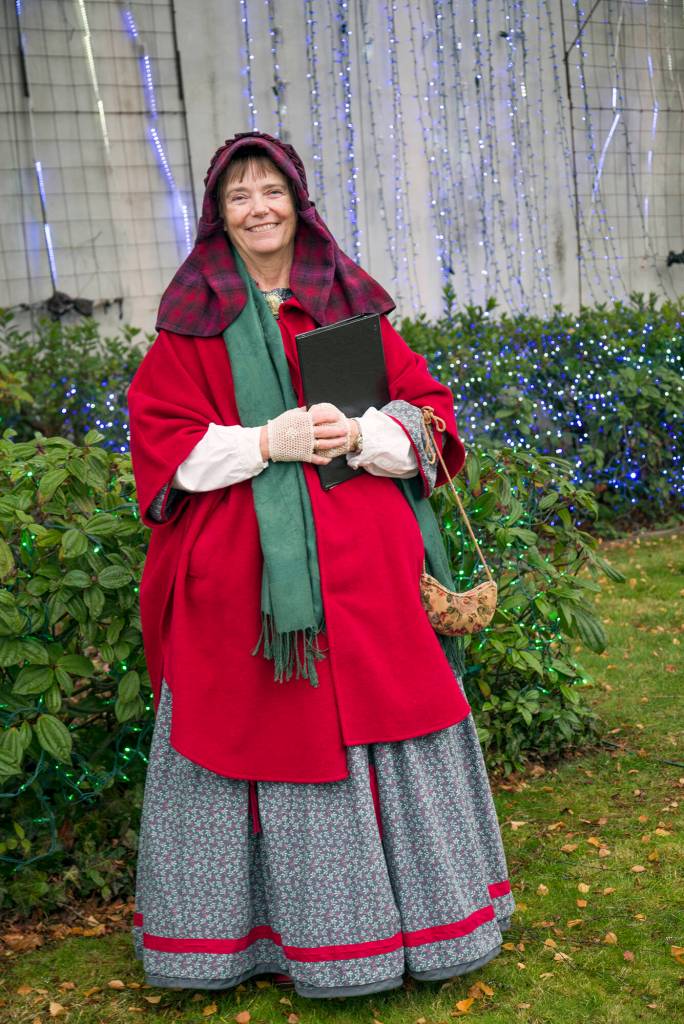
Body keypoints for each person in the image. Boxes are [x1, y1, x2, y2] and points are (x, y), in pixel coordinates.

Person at [126, 130, 514, 999]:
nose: (259, 208)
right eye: (239, 196)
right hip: (249, 596)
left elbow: (434, 414)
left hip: (369, 580)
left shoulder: (347, 302)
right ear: (217, 216)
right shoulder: (193, 323)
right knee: (260, 729)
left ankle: (425, 923)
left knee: (394, 712)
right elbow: (162, 448)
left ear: (299, 202)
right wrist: (267, 440)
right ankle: (260, 941)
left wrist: (369, 433)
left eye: (273, 191)